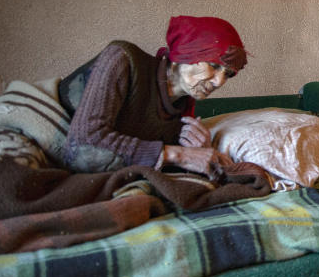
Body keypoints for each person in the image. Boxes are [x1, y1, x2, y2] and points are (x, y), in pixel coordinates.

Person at [58, 15, 247, 178]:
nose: (219, 82)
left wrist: (199, 152)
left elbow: (155, 163)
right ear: (184, 54)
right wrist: (179, 155)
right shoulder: (122, 58)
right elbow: (83, 147)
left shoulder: (182, 114)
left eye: (228, 74)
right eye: (213, 65)